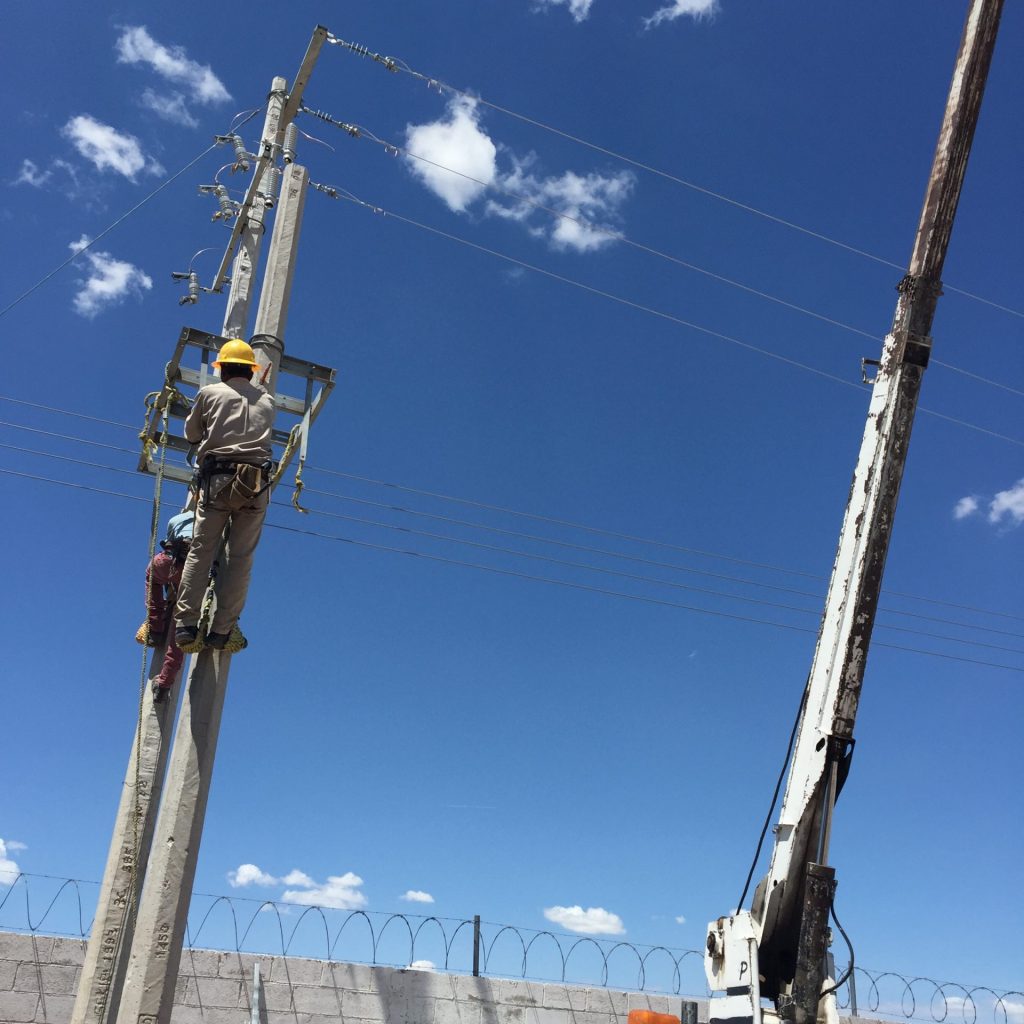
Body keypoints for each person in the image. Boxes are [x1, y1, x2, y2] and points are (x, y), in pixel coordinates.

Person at [174, 338, 276, 654]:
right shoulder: (268, 400)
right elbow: (257, 404)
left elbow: (191, 435)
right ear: (249, 370)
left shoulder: (209, 393)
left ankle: (187, 626)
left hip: (217, 479)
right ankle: (222, 630)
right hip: (255, 484)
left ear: (223, 369)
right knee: (241, 558)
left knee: (202, 550)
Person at [137, 510, 194, 702]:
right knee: (182, 629)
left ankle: (155, 627)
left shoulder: (176, 519)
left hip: (170, 561)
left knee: (152, 577)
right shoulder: (212, 520)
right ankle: (165, 683)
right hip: (194, 570)